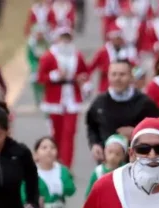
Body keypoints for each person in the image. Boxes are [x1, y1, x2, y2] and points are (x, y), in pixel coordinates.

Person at [86, 59, 159, 163]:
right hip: (108, 165)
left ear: (131, 77)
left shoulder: (144, 103)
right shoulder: (100, 102)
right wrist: (94, 144)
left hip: (137, 163)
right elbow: (92, 126)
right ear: (108, 76)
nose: (117, 78)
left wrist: (136, 132)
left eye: (122, 74)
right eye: (114, 74)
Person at [38, 27, 91, 168]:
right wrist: (54, 75)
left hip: (72, 98)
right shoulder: (48, 56)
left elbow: (85, 73)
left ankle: (66, 166)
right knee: (57, 133)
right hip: (55, 99)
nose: (65, 41)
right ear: (57, 39)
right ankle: (55, 162)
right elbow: (41, 78)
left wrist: (84, 83)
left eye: (68, 38)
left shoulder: (77, 55)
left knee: (69, 133)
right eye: (63, 37)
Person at [89, 30, 138, 94]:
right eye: (116, 38)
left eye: (120, 38)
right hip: (106, 84)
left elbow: (134, 66)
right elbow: (91, 67)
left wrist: (139, 76)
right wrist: (87, 82)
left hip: (123, 85)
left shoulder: (126, 52)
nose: (118, 41)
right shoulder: (103, 52)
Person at [26, 25, 50, 107]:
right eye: (38, 34)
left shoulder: (46, 43)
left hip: (45, 65)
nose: (39, 36)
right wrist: (34, 65)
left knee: (45, 82)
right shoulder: (31, 44)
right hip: (36, 65)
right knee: (35, 82)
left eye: (41, 34)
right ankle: (38, 99)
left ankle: (45, 98)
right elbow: (30, 57)